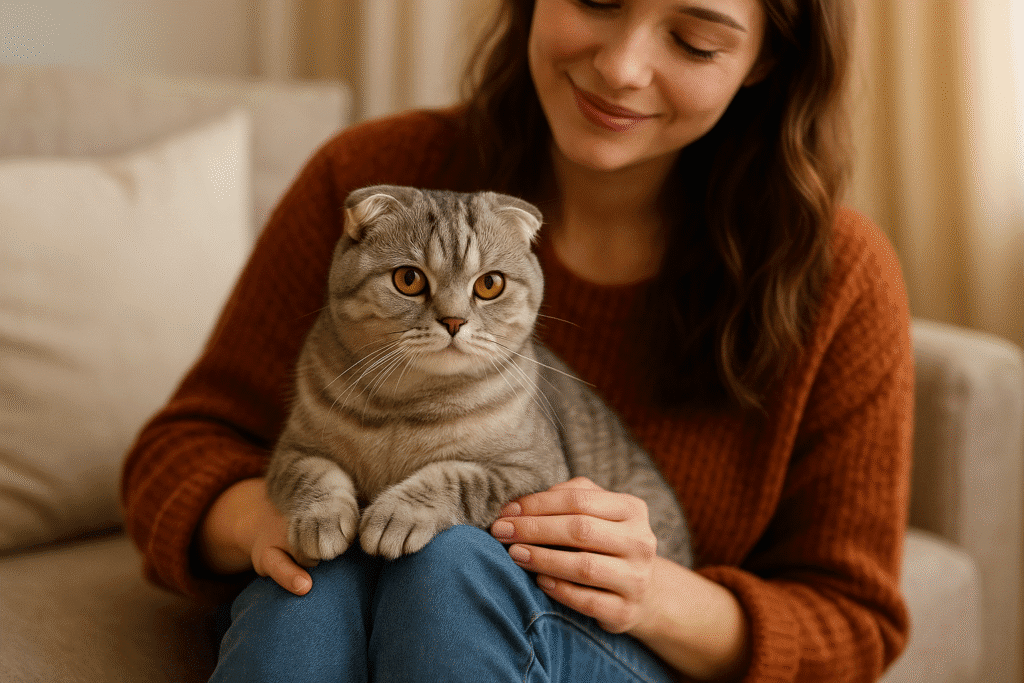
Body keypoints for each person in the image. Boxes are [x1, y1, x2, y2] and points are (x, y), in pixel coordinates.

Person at [121, 0, 913, 681]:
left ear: (764, 57)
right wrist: (280, 517)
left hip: (615, 640)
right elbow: (181, 451)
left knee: (452, 564)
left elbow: (854, 625)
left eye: (694, 42)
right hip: (342, 568)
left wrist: (656, 591)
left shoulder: (840, 277)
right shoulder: (371, 179)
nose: (623, 67)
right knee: (312, 587)